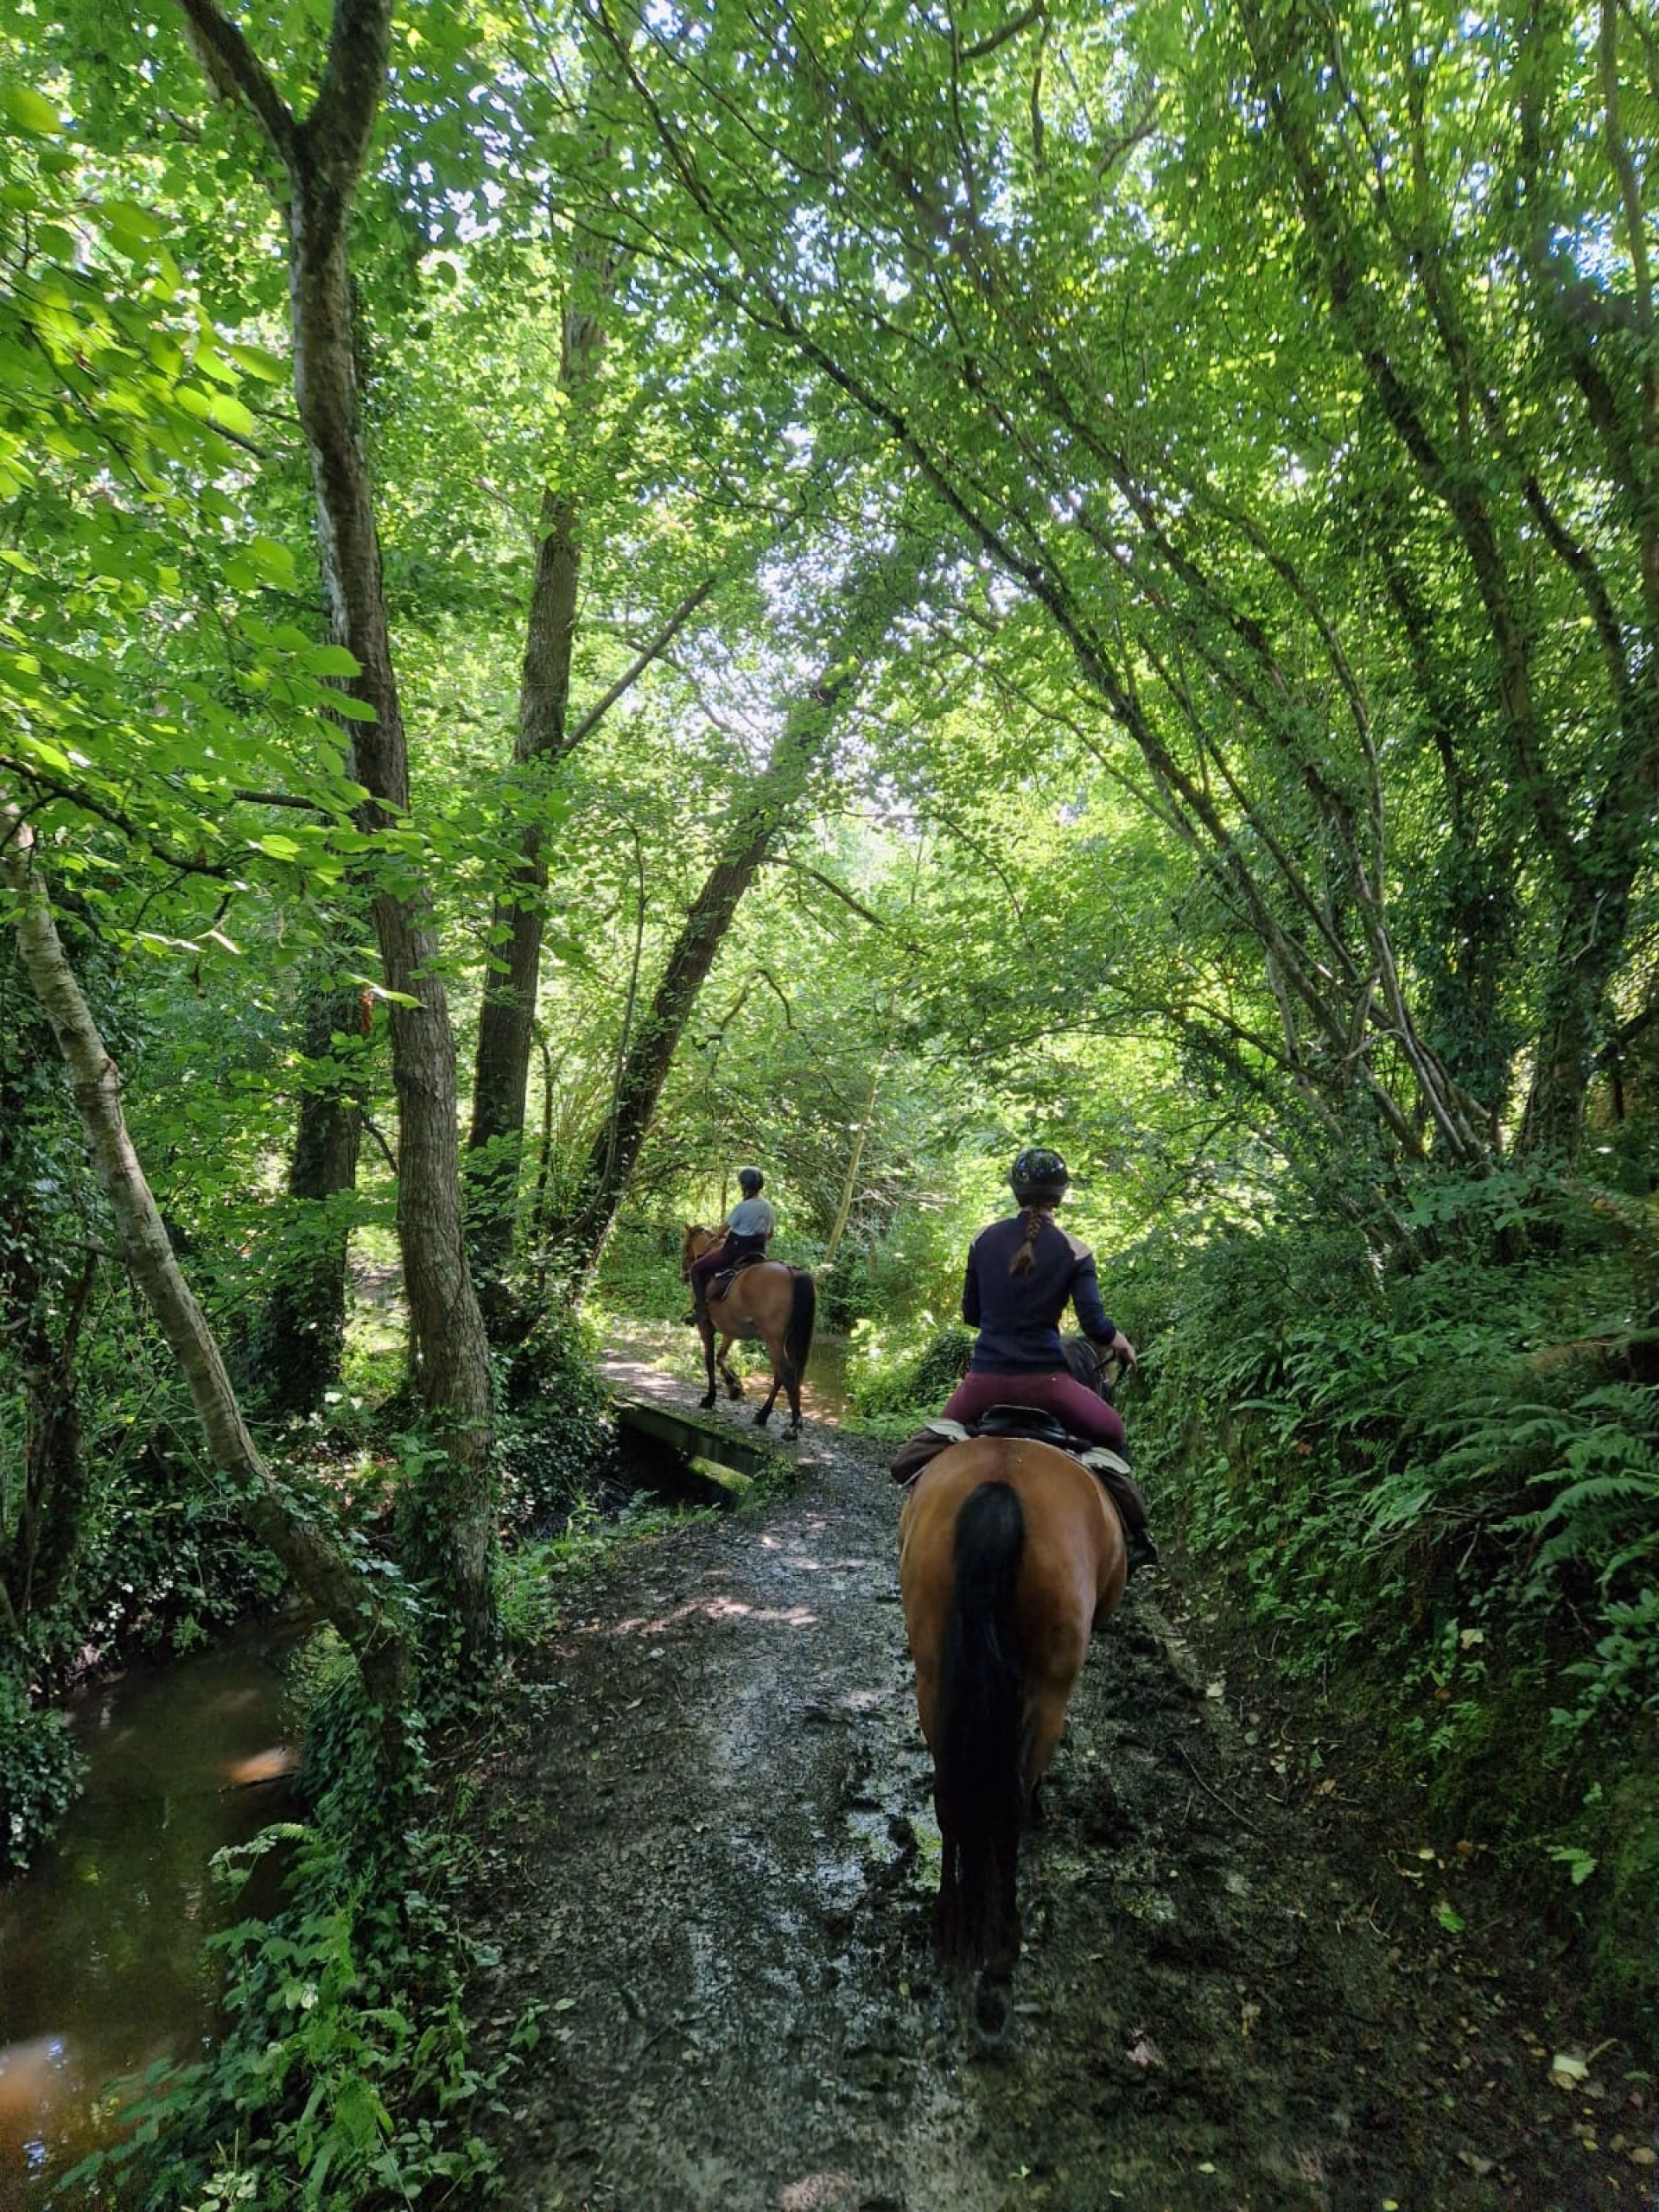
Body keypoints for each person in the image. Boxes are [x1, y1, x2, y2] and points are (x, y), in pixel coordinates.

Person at [937, 1145, 1159, 1573]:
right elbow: (1095, 1326)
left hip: (983, 1383)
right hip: (1048, 1386)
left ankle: (914, 1526)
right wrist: (1121, 1343)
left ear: (1015, 1192)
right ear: (1059, 1196)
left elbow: (971, 1315)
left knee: (925, 1452)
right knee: (1113, 1431)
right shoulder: (1075, 1251)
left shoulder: (983, 1240)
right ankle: (1135, 1538)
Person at [687, 1166, 777, 1325]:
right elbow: (770, 1234)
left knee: (696, 1268)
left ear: (744, 1186)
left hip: (734, 1252)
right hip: (758, 1253)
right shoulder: (768, 1206)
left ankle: (700, 1311)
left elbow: (720, 1232)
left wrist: (718, 1237)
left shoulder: (742, 1207)